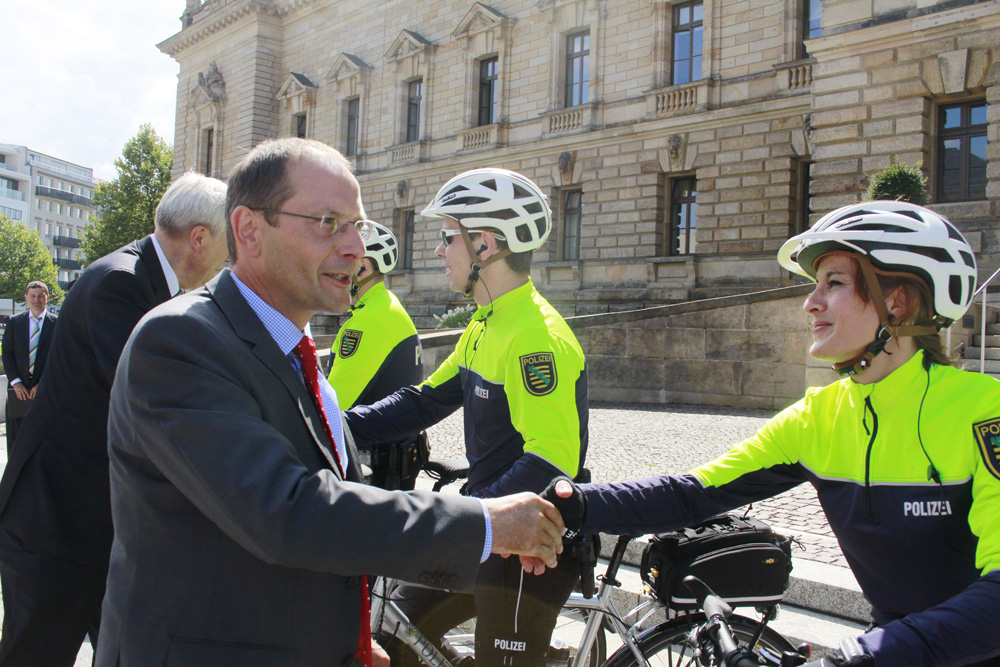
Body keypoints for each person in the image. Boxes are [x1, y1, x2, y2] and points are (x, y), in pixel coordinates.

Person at [94, 139, 566, 667]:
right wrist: (483, 521)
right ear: (249, 230)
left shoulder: (290, 345)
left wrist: (351, 640)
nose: (355, 250)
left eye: (356, 227)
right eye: (327, 223)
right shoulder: (180, 340)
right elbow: (289, 511)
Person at [558, 201, 1000, 666]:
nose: (811, 302)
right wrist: (578, 504)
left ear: (898, 301)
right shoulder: (819, 417)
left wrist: (866, 655)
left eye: (835, 283)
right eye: (815, 285)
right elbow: (691, 495)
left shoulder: (982, 410)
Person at [346, 168, 590, 666]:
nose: (438, 251)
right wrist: (330, 421)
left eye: (446, 236)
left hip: (530, 549)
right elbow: (422, 403)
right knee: (398, 634)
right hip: (487, 531)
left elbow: (551, 460)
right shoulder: (486, 323)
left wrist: (463, 516)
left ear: (485, 244)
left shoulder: (534, 336)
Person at [0, 171, 230, 666]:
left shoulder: (140, 276)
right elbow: (154, 400)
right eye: (227, 247)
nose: (227, 262)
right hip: (55, 526)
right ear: (199, 238)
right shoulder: (121, 284)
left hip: (98, 523)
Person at [328, 221, 425, 489]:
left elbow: (332, 403)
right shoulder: (384, 307)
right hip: (394, 458)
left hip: (377, 471)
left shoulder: (370, 320)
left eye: (343, 259)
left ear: (364, 267)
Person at [1, 281, 57, 446]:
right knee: (16, 440)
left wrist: (43, 383)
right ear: (26, 297)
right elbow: (7, 354)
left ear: (47, 297)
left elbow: (57, 357)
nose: (36, 300)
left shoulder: (57, 324)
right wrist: (16, 382)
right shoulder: (14, 322)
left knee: (44, 439)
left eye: (40, 296)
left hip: (45, 390)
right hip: (18, 392)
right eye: (32, 296)